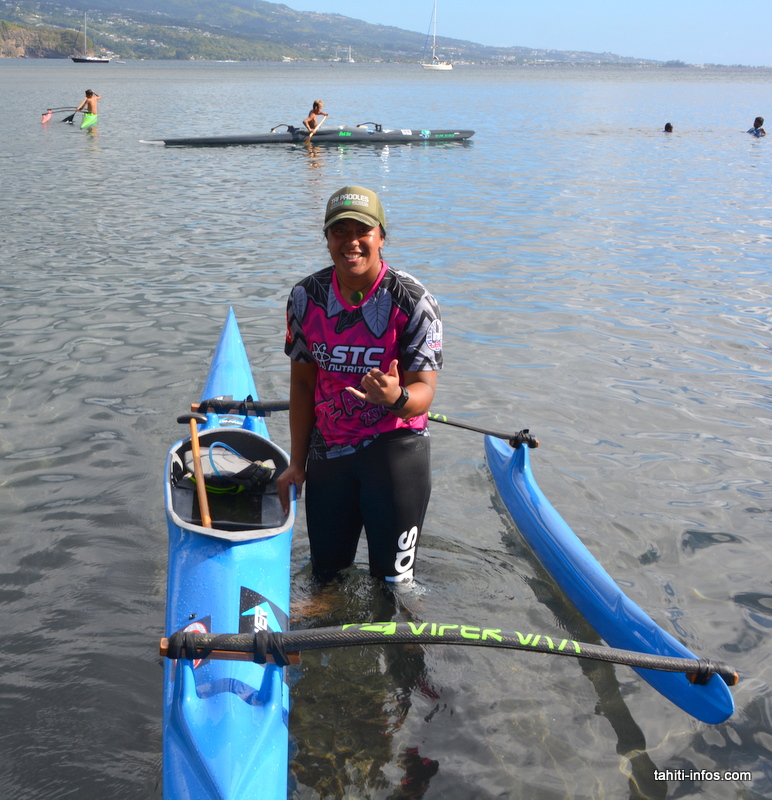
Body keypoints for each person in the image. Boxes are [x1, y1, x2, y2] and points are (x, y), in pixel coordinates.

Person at [277, 185, 443, 584]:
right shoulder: (305, 297)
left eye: (362, 231)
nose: (351, 242)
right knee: (327, 578)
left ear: (381, 237)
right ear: (328, 239)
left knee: (395, 587)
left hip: (394, 456)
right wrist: (296, 463)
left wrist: (396, 397)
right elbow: (302, 386)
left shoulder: (413, 301)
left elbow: (424, 392)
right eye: (339, 232)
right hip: (328, 456)